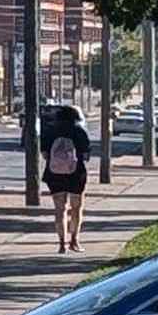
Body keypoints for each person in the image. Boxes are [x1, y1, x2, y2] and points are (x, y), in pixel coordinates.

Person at [41, 103, 91, 254]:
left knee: (60, 209)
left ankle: (62, 244)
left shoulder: (50, 131)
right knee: (76, 208)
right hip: (76, 174)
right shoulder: (79, 130)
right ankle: (74, 240)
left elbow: (45, 154)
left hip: (54, 174)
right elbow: (86, 155)